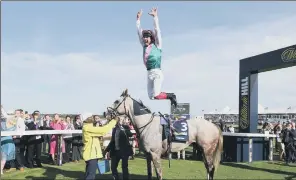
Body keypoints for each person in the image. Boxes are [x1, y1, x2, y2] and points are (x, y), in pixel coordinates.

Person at [136, 8, 177, 107]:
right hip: (149, 73)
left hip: (157, 72)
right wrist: (138, 20)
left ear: (151, 38)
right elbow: (138, 33)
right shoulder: (144, 46)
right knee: (152, 96)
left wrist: (155, 17)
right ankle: (169, 96)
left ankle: (171, 96)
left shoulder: (158, 45)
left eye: (147, 37)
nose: (145, 39)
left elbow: (157, 31)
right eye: (144, 37)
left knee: (157, 94)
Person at [82, 113, 117, 180]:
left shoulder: (89, 127)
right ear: (86, 119)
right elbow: (103, 130)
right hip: (91, 155)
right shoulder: (88, 128)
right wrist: (114, 121)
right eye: (90, 117)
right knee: (90, 176)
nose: (92, 118)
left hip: (92, 154)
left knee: (89, 174)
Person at [105, 116, 134, 180]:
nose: (119, 121)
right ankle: (116, 178)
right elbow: (112, 141)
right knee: (113, 167)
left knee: (124, 167)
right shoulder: (114, 129)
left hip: (124, 151)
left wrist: (125, 129)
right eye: (119, 120)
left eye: (121, 119)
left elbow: (130, 134)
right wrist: (107, 150)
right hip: (115, 151)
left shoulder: (125, 127)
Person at [1, 106, 16, 175]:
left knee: (4, 157)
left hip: (9, 141)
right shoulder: (3, 123)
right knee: (3, 156)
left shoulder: (13, 124)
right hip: (5, 140)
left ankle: (1, 170)